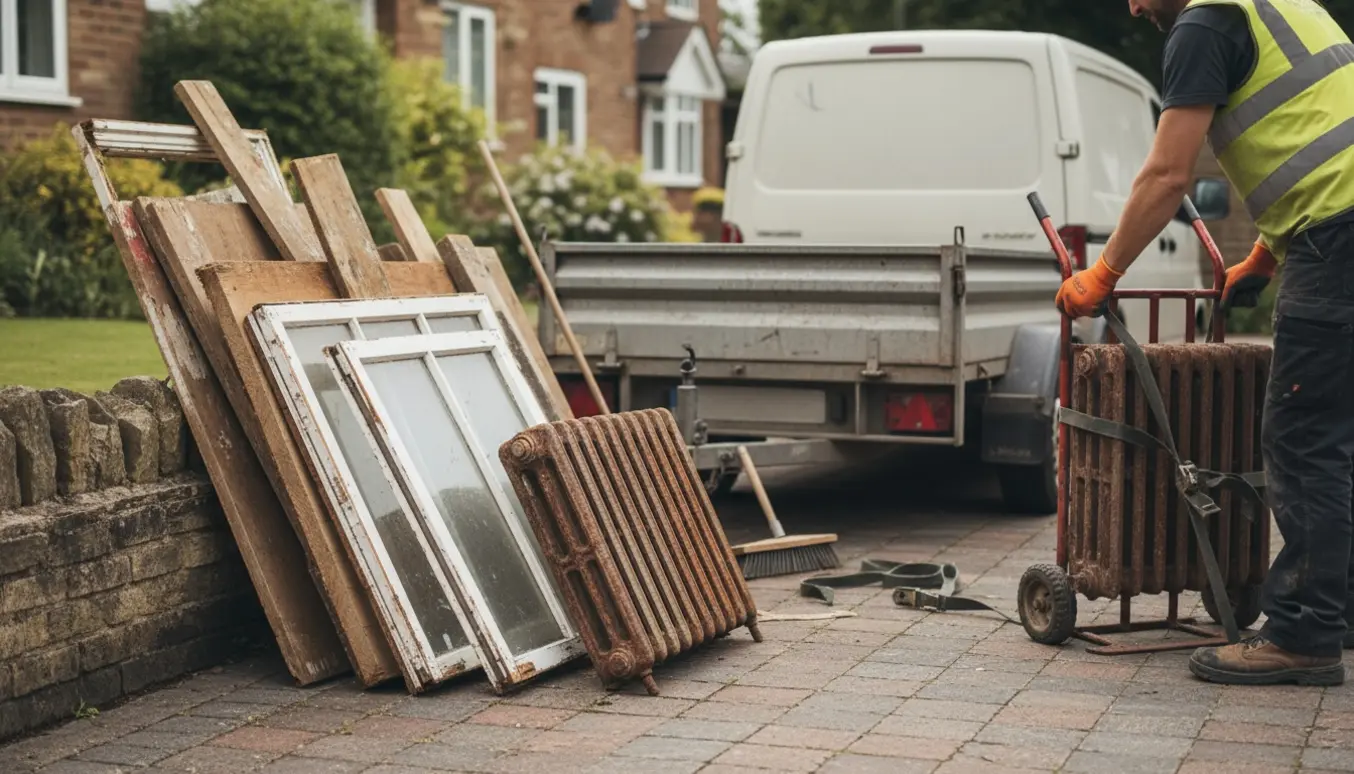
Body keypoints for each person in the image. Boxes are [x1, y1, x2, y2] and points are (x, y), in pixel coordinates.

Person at [1056, 0, 1354, 686]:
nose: (1133, 6)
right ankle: (1338, 611)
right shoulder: (1282, 7)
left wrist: (1102, 273)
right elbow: (1321, 137)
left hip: (1336, 241)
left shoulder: (1204, 22)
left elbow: (1167, 175)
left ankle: (1304, 637)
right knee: (1338, 435)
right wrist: (1267, 256)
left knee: (1304, 439)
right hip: (1332, 231)